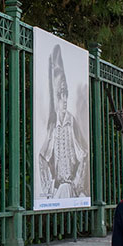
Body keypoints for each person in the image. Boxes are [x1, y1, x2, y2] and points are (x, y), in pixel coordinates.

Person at [36, 44, 88, 199]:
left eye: (66, 94)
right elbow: (42, 157)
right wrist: (50, 187)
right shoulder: (53, 125)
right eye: (60, 95)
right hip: (59, 189)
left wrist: (77, 183)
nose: (64, 100)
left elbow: (83, 154)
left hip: (72, 188)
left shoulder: (71, 122)